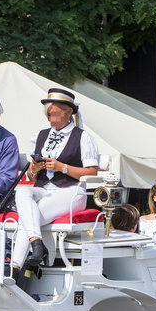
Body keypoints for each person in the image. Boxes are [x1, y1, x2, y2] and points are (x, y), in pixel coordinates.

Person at [10, 88, 99, 274]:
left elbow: (92, 171)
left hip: (71, 191)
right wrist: (35, 169)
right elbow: (31, 177)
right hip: (44, 188)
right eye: (49, 112)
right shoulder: (40, 136)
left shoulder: (82, 137)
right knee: (22, 192)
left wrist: (62, 167)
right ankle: (36, 246)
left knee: (29, 218)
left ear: (68, 112)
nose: (51, 116)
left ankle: (15, 269)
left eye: (55, 112)